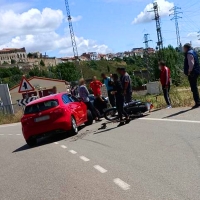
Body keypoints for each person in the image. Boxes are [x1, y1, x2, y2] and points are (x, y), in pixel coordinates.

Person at [183, 43, 200, 109]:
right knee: (194, 87)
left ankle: (197, 102)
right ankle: (198, 101)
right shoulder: (193, 52)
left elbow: (191, 63)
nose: (183, 50)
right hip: (196, 71)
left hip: (192, 73)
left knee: (193, 88)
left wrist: (189, 71)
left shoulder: (189, 53)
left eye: (184, 48)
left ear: (186, 48)